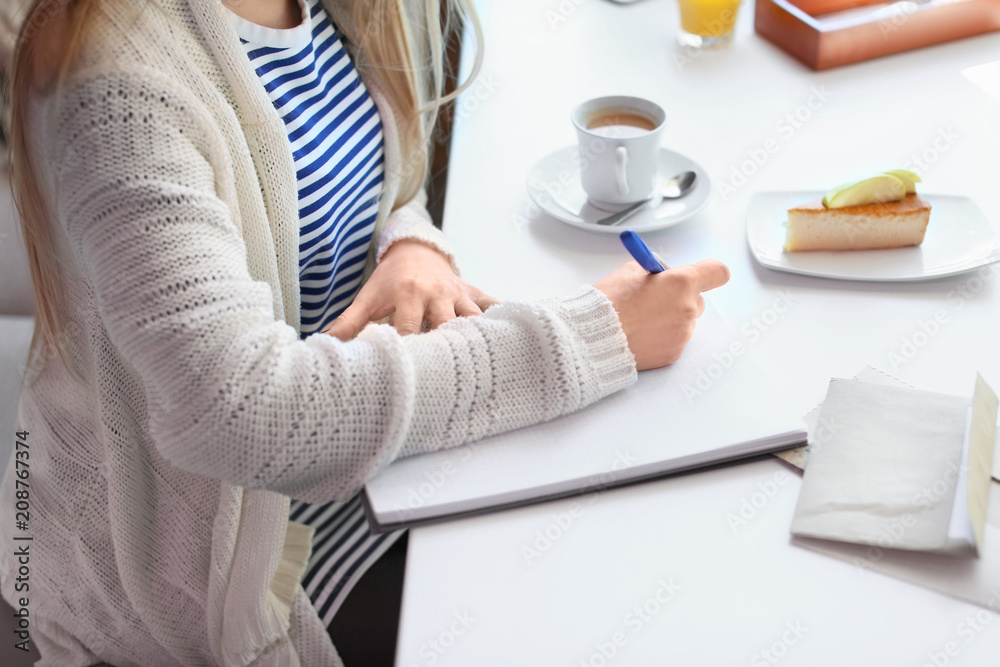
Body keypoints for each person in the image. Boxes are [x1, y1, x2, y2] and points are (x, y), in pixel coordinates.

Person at [0, 0, 730, 664]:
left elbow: (376, 174)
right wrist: (590, 337)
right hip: (215, 573)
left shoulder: (341, 10)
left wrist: (409, 242)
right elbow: (244, 416)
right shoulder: (117, 93)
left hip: (369, 468)